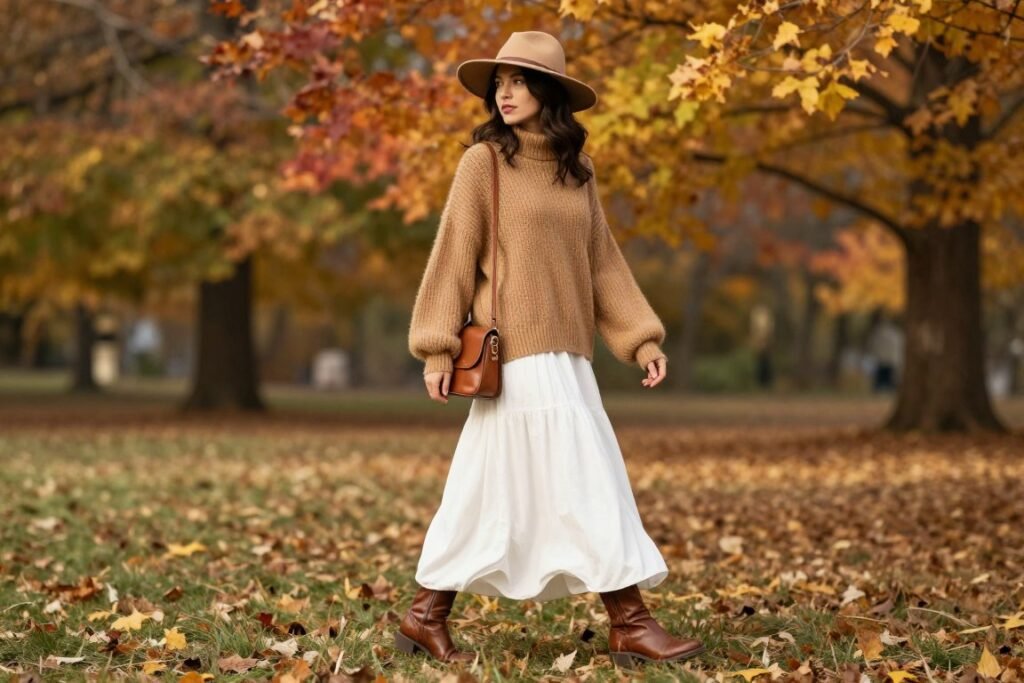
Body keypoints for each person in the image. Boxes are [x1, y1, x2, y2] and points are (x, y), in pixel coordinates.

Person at [399, 30, 705, 671]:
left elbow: (603, 265)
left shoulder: (577, 171)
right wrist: (435, 348)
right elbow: (452, 256)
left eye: (519, 81)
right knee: (587, 478)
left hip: (570, 355)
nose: (505, 94)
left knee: (487, 489)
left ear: (549, 92)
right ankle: (631, 623)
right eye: (499, 84)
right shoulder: (482, 164)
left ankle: (425, 614)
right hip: (512, 357)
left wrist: (640, 336)